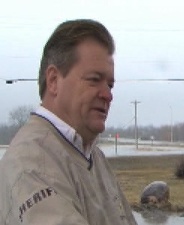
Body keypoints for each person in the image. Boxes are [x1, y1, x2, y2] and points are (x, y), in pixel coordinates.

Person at [0, 19, 137, 225]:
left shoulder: (92, 155)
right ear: (54, 80)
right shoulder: (32, 163)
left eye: (110, 84)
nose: (108, 95)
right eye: (94, 79)